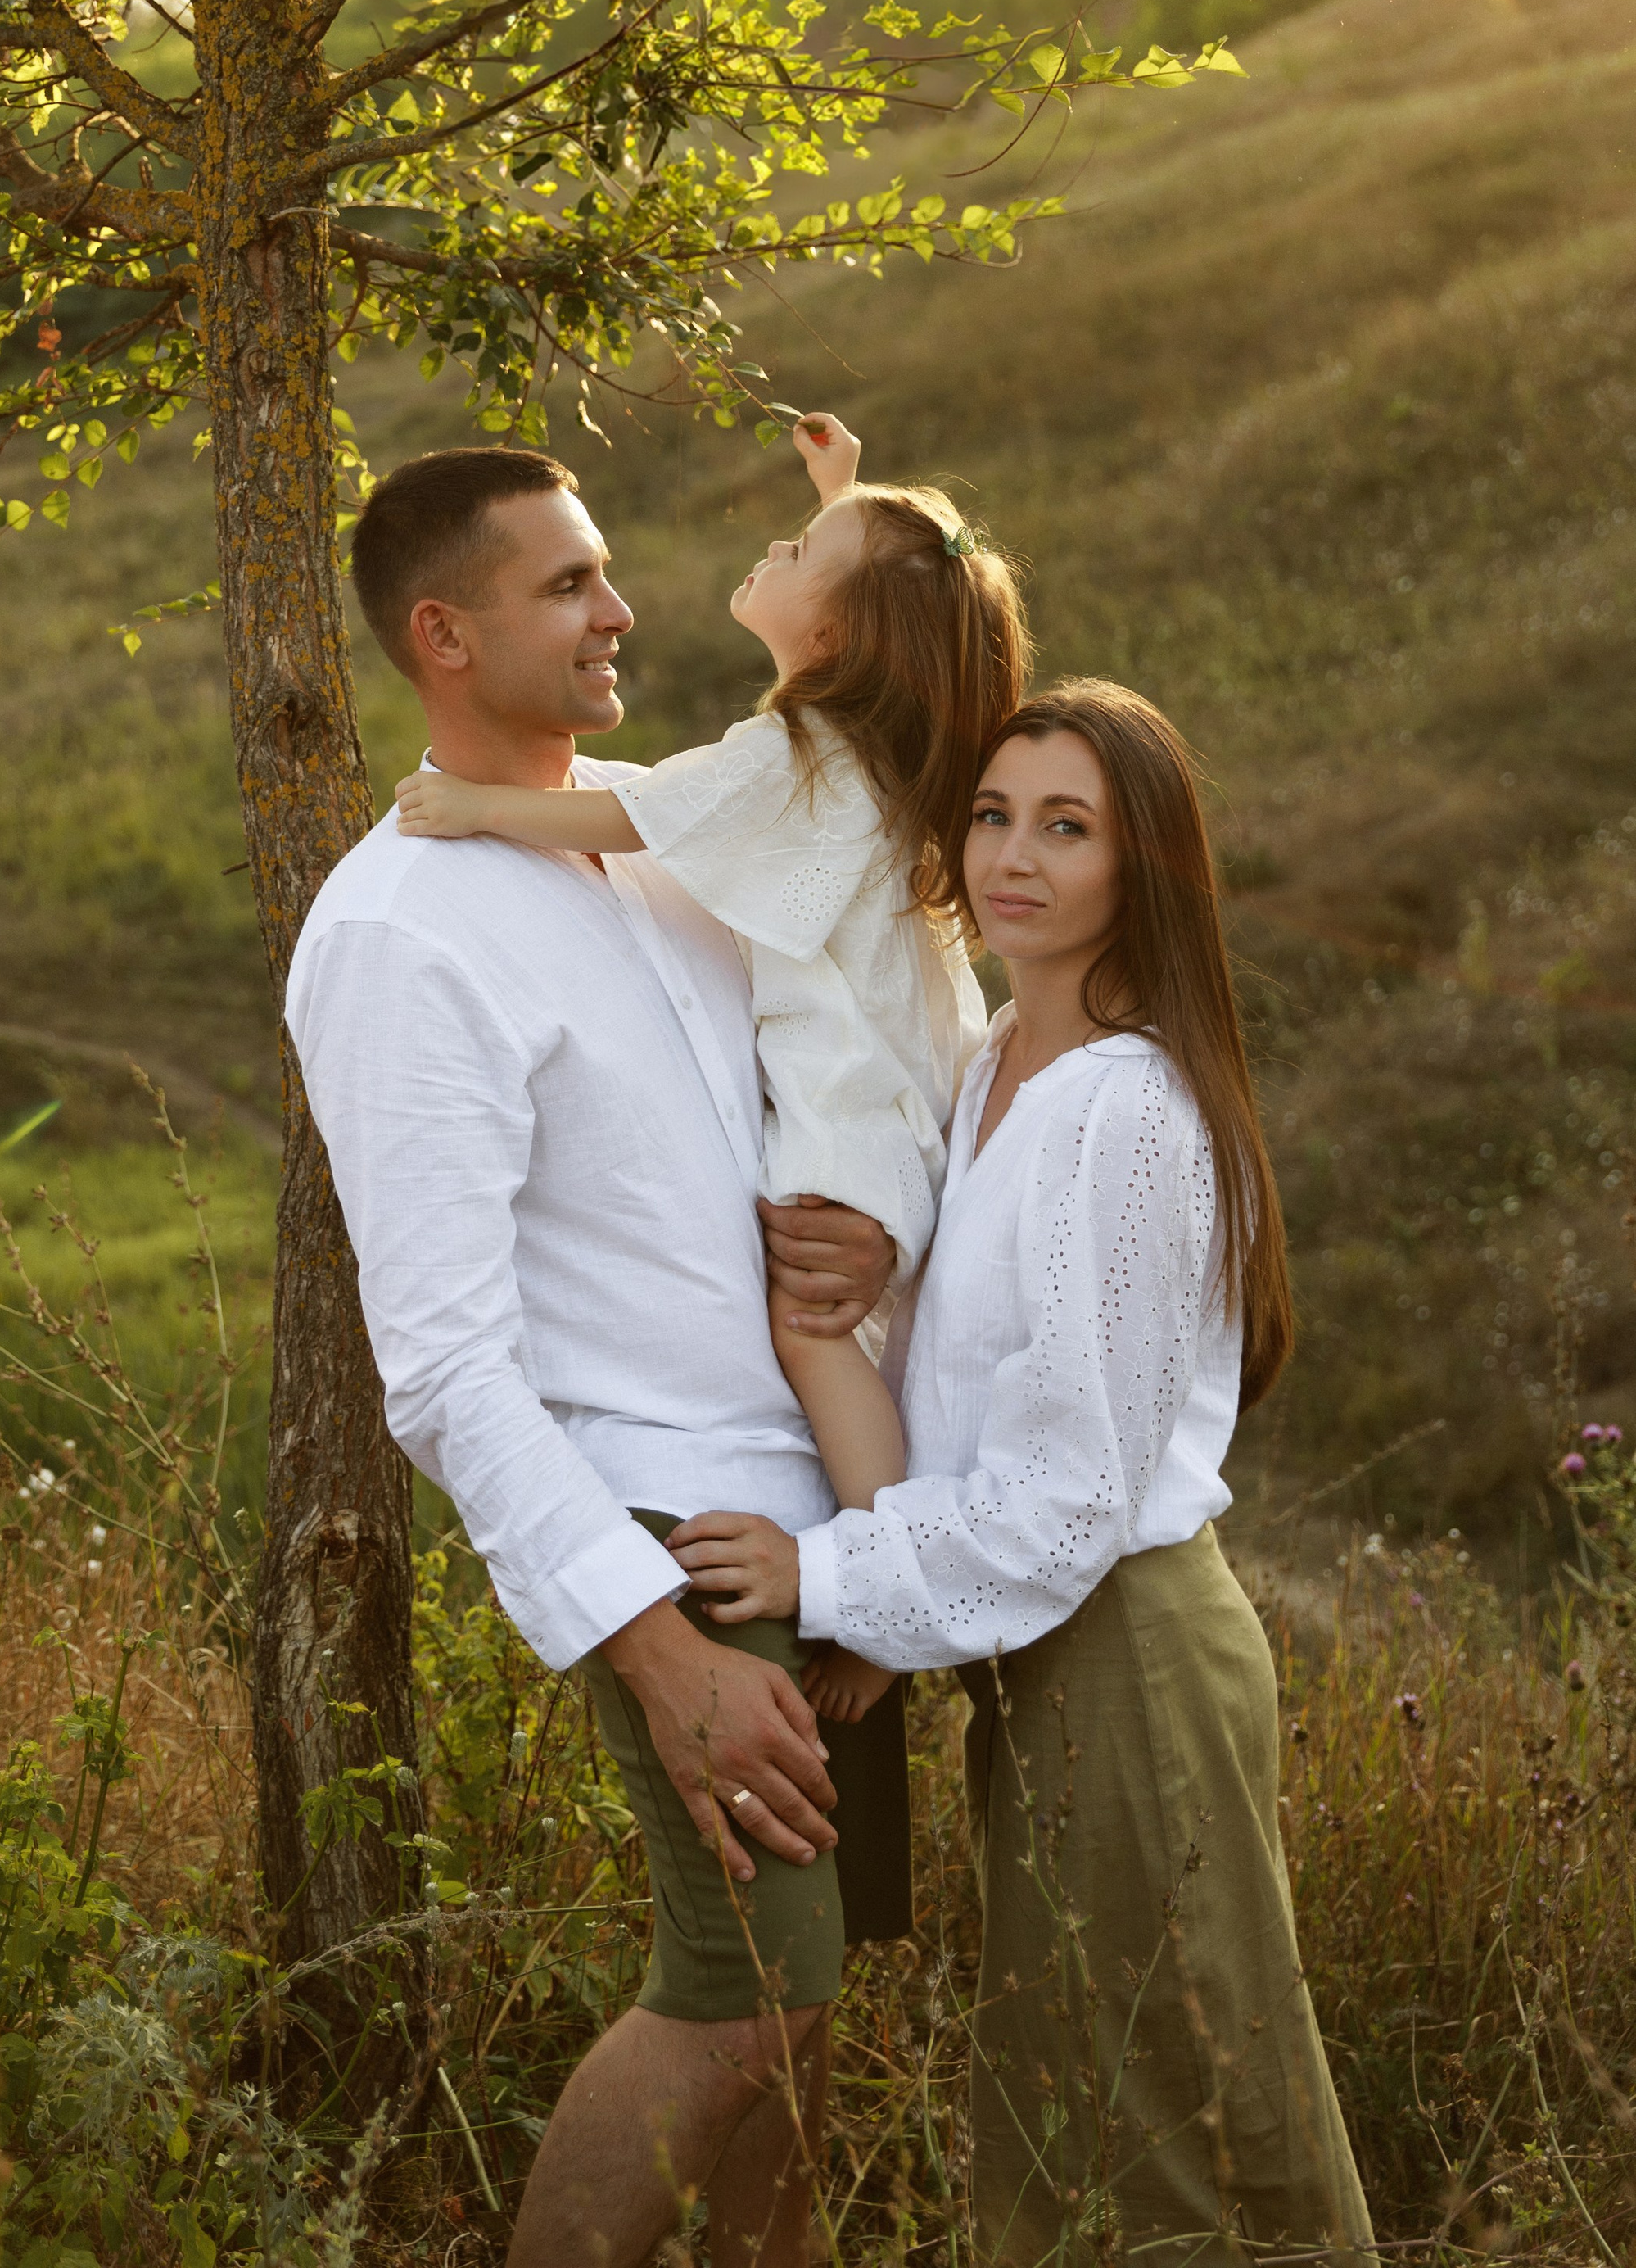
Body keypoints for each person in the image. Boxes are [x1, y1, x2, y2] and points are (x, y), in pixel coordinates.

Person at [285, 441, 920, 2268]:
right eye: (565, 584)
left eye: (606, 571)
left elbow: (825, 1091)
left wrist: (875, 1515)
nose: (620, 609)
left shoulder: (661, 825)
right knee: (735, 2001)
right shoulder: (399, 930)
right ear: (442, 635)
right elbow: (443, 1367)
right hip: (672, 1538)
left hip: (819, 1520)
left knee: (804, 2027)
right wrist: (652, 1649)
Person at [671, 681, 1376, 2266]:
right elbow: (959, 1403)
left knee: (1175, 2110)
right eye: (994, 815)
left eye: (1069, 827)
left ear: (1148, 869)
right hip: (1045, 1652)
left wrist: (827, 1576)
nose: (1014, 855)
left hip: (1128, 1643)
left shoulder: (1126, 1107)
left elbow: (1067, 1494)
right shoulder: (997, 1061)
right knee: (1083, 2090)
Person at [393, 410, 1029, 1726]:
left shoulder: (794, 759)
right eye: (571, 583)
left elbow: (640, 815)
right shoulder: (872, 746)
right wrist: (849, 495)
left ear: (842, 633)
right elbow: (895, 596)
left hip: (852, 1101)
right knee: (859, 1337)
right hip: (904, 1090)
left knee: (818, 1332)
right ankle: (896, 1563)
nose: (772, 546)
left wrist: (474, 807)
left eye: (799, 546)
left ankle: (887, 1587)